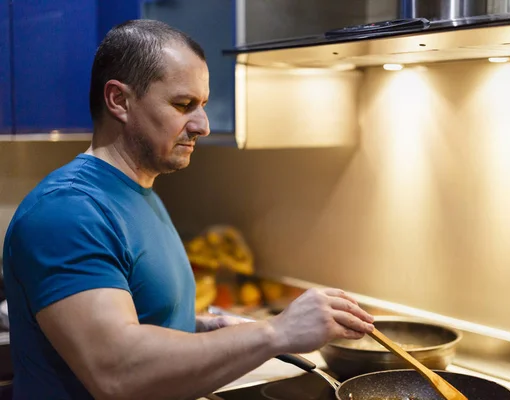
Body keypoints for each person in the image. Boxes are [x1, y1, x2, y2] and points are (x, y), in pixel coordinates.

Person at [2, 19, 375, 400]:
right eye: (184, 105)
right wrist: (275, 332)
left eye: (203, 105)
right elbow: (116, 371)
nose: (203, 125)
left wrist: (198, 328)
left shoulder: (138, 191)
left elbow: (137, 317)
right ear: (118, 100)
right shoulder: (67, 211)